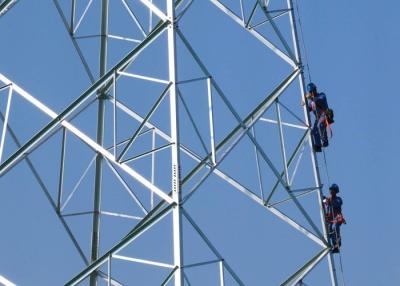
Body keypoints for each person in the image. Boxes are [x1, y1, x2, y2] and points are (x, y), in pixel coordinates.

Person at [304, 83, 330, 152]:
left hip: (324, 114)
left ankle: (325, 141)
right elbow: (308, 108)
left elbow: (320, 99)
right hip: (318, 118)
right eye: (311, 92)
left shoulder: (321, 95)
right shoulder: (311, 102)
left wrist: (311, 98)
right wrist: (304, 103)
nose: (312, 93)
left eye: (313, 91)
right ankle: (318, 146)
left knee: (320, 125)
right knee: (314, 130)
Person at [323, 183, 345, 253]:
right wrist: (323, 198)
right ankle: (335, 245)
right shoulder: (328, 199)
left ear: (335, 191)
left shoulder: (338, 199)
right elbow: (325, 202)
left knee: (334, 228)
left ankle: (337, 243)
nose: (331, 191)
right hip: (330, 220)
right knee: (330, 231)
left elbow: (337, 203)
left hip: (337, 218)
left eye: (333, 190)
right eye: (331, 190)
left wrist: (329, 201)